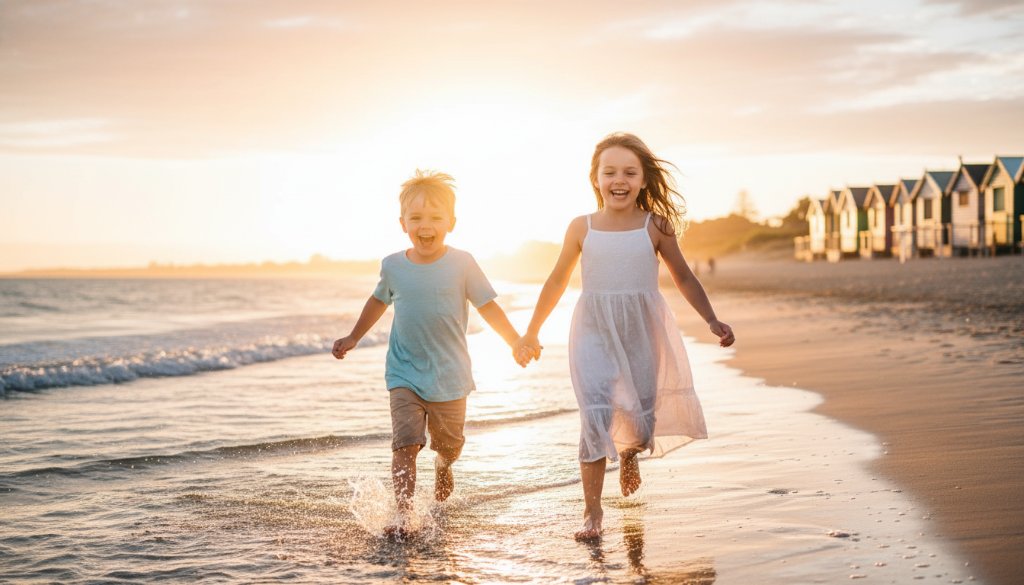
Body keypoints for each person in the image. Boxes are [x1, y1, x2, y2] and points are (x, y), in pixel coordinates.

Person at [517, 132, 735, 540]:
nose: (620, 179)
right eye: (610, 172)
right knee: (595, 415)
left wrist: (711, 319)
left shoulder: (656, 226)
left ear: (643, 180)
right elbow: (557, 279)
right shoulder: (581, 227)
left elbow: (684, 277)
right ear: (595, 178)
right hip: (593, 329)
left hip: (642, 327)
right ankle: (592, 512)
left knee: (641, 418)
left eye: (630, 172)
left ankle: (630, 454)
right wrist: (531, 330)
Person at [333, 169, 527, 538]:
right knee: (405, 443)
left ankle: (444, 466)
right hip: (404, 372)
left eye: (435, 217)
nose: (425, 225)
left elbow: (488, 306)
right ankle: (403, 514)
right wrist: (353, 337)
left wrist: (515, 340)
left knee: (449, 446)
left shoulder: (463, 263)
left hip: (451, 375)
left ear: (451, 223)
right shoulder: (393, 265)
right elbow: (377, 302)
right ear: (402, 222)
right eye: (416, 218)